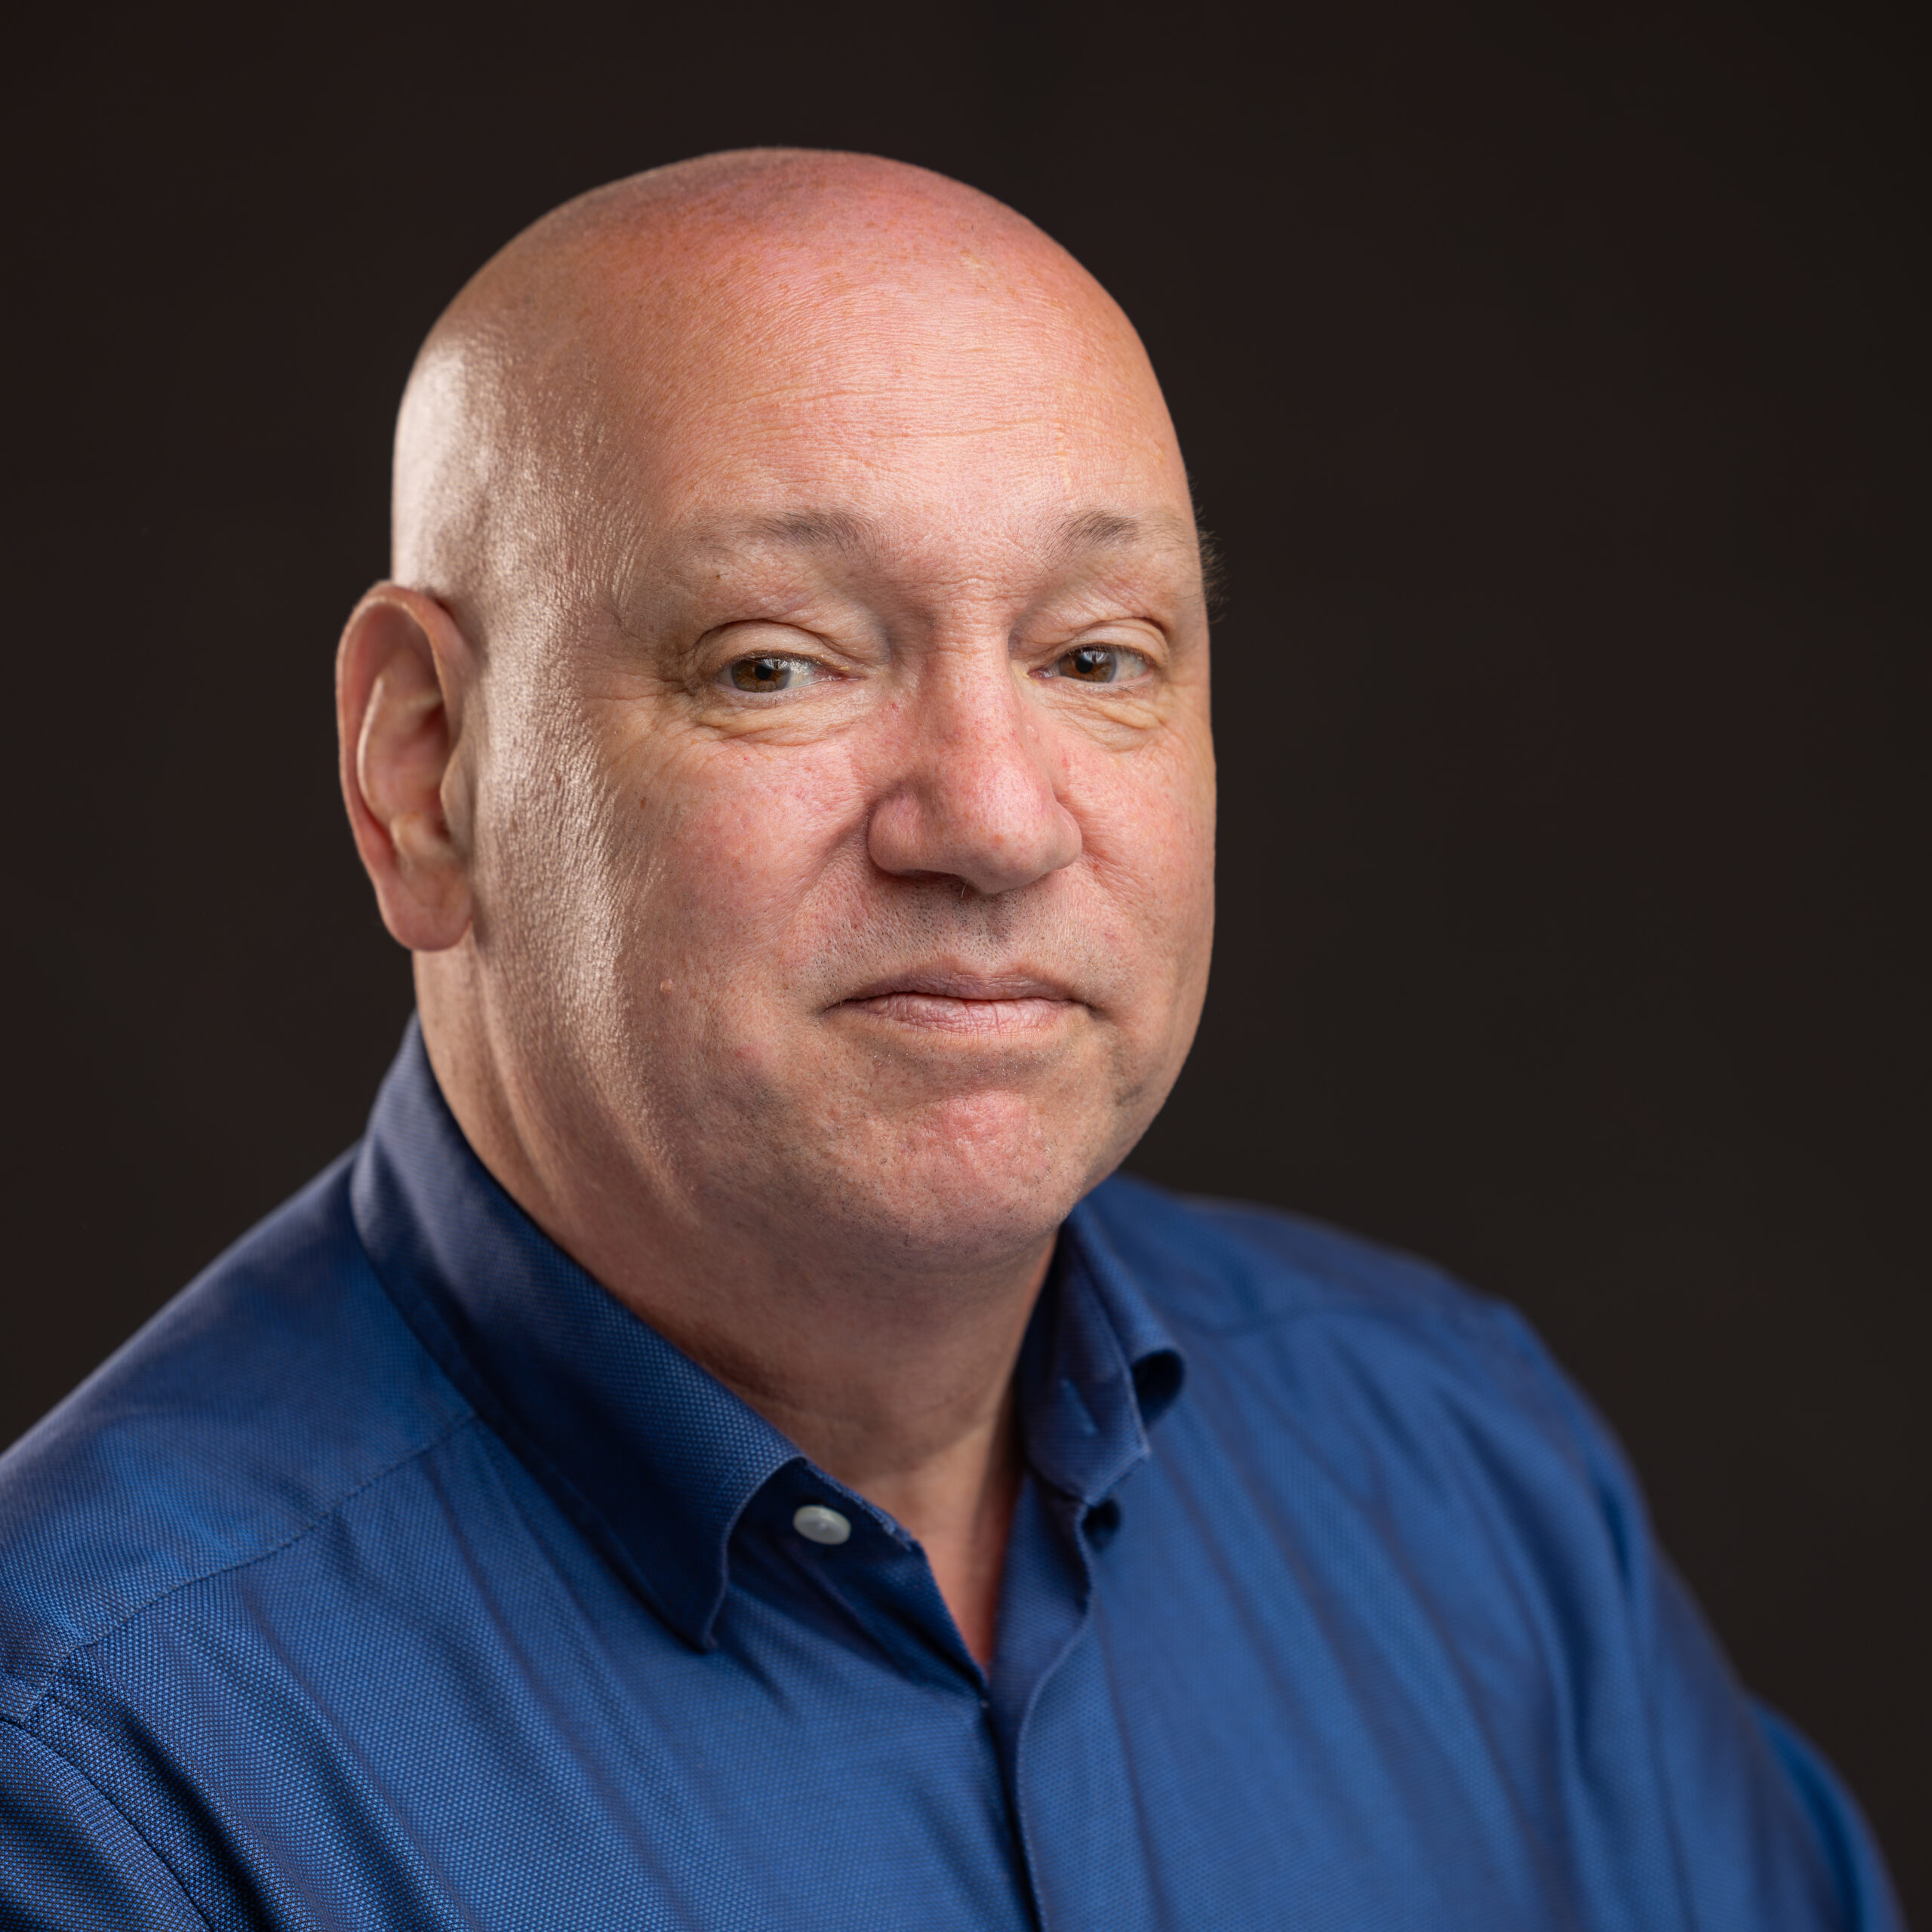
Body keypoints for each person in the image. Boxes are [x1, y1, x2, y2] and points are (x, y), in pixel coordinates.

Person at [0, 149, 1901, 1931]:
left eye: (1096, 655)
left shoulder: (1469, 1474)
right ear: (425, 775)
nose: (991, 820)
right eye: (777, 660)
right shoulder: (97, 1768)